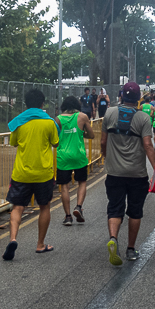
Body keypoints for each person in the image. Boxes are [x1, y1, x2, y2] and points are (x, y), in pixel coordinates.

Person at [101, 81, 155, 265]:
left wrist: (105, 155)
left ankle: (113, 239)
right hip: (137, 174)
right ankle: (131, 249)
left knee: (115, 207)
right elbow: (148, 145)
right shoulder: (143, 118)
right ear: (138, 98)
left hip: (114, 172)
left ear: (121, 96)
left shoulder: (109, 113)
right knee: (135, 212)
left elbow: (103, 141)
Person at [3, 88, 59, 260]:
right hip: (43, 173)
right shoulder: (49, 123)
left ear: (26, 104)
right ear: (43, 104)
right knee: (44, 206)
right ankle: (40, 244)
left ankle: (13, 239)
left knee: (17, 207)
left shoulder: (19, 123)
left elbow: (14, 143)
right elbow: (55, 143)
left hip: (22, 173)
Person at [56, 96, 95, 226]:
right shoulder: (82, 117)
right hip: (79, 155)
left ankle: (67, 217)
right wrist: (80, 133)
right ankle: (78, 207)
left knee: (64, 186)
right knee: (82, 182)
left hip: (63, 157)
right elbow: (91, 135)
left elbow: (56, 141)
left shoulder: (58, 119)